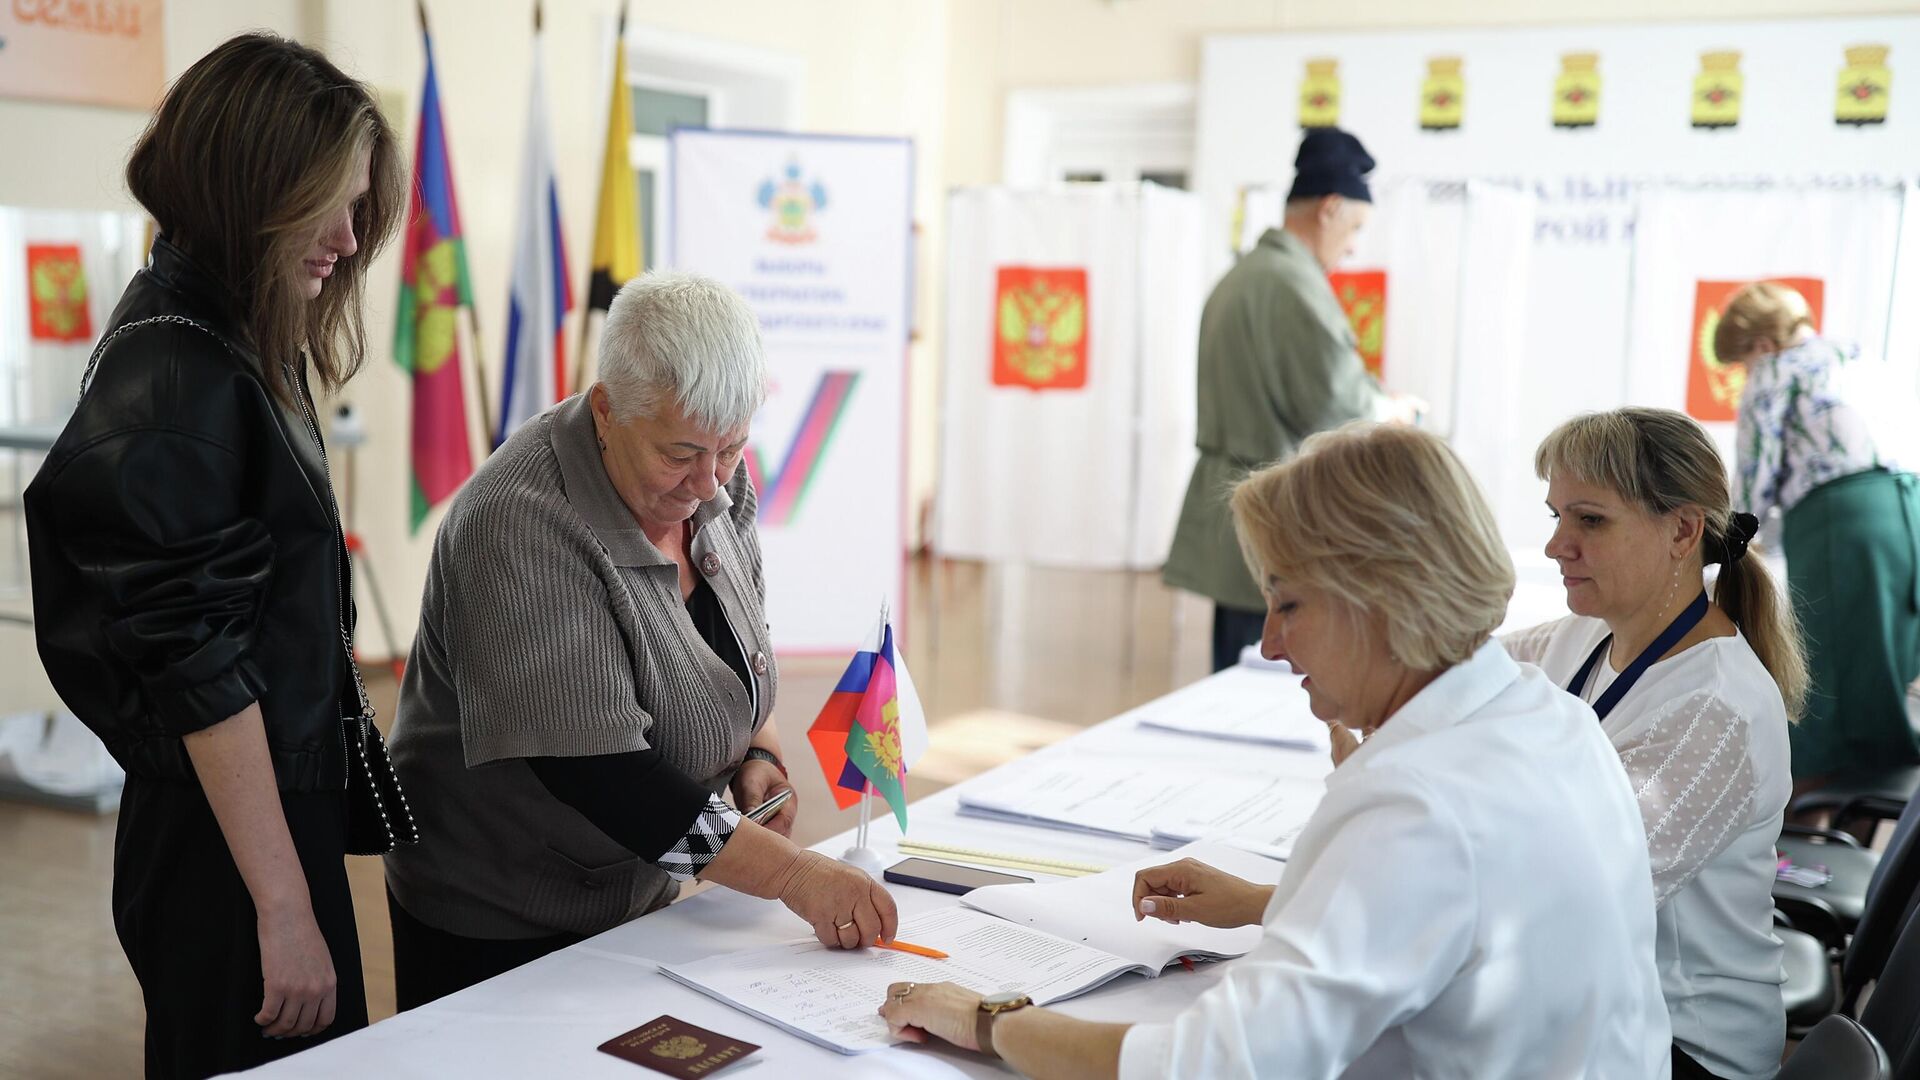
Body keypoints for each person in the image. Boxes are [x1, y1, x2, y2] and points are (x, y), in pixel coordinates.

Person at [879, 422, 1669, 1079]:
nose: (1270, 643)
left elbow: (1214, 1065)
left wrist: (988, 1019)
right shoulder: (1552, 718)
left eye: (1288, 604)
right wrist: (1285, 897)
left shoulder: (1412, 800)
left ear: (1380, 600)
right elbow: (1451, 920)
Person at [24, 33, 405, 1079]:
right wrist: (281, 905)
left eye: (356, 207)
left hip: (262, 814)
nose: (347, 239)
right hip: (226, 840)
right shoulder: (176, 372)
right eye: (328, 206)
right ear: (252, 189)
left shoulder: (230, 337)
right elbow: (199, 672)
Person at [383, 271, 897, 1009]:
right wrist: (791, 874)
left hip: (639, 892)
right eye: (680, 453)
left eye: (731, 448)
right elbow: (606, 777)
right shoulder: (519, 522)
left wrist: (759, 752)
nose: (710, 484)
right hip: (501, 916)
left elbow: (736, 648)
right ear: (605, 411)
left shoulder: (713, 476)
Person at [1504, 407, 1801, 1080]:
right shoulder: (1589, 634)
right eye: (1556, 517)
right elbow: (1453, 671)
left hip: (1680, 1044)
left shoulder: (1717, 710)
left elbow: (1564, 896)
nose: (1556, 546)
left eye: (1590, 520)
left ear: (1683, 530)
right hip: (1596, 1004)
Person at [1164, 127, 1410, 673]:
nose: (1354, 246)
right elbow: (1338, 409)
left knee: (1235, 672)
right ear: (1330, 208)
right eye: (1355, 227)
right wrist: (1391, 410)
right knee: (1269, 683)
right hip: (1279, 522)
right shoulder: (1293, 285)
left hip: (1240, 516)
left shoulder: (1244, 276)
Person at [1717, 282, 1920, 790]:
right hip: (1906, 511)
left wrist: (1731, 542)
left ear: (1760, 344)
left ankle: (1801, 814)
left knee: (1820, 680)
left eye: (1742, 362)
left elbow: (1755, 476)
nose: (1746, 372)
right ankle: (1870, 815)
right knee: (1880, 674)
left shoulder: (1774, 370)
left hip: (1842, 522)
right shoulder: (1857, 357)